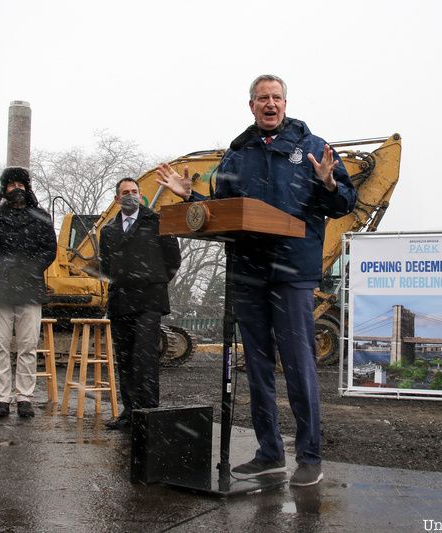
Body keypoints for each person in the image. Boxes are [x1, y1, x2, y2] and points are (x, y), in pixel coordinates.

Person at [156, 74, 357, 486]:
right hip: (248, 272)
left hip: (292, 274)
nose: (270, 103)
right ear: (251, 106)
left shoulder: (314, 148)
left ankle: (309, 456)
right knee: (257, 367)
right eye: (262, 98)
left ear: (286, 103)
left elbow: (343, 204)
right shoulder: (236, 154)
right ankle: (269, 453)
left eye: (277, 97)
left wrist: (329, 182)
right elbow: (221, 211)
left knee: (299, 364)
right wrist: (189, 198)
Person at [99, 178, 181, 430]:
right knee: (124, 357)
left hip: (148, 300)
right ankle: (129, 410)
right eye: (125, 193)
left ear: (141, 195)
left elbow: (173, 259)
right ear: (117, 199)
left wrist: (153, 280)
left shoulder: (157, 222)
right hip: (121, 300)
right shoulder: (109, 230)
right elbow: (106, 265)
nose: (130, 196)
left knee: (145, 357)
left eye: (134, 192)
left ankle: (147, 411)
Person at [0, 166, 57, 419]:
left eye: (21, 184)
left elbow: (49, 250)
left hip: (30, 290)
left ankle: (24, 398)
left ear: (27, 187)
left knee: (28, 346)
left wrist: (28, 267)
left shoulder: (41, 217)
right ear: (4, 188)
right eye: (11, 185)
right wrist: (5, 266)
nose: (17, 189)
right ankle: (1, 399)